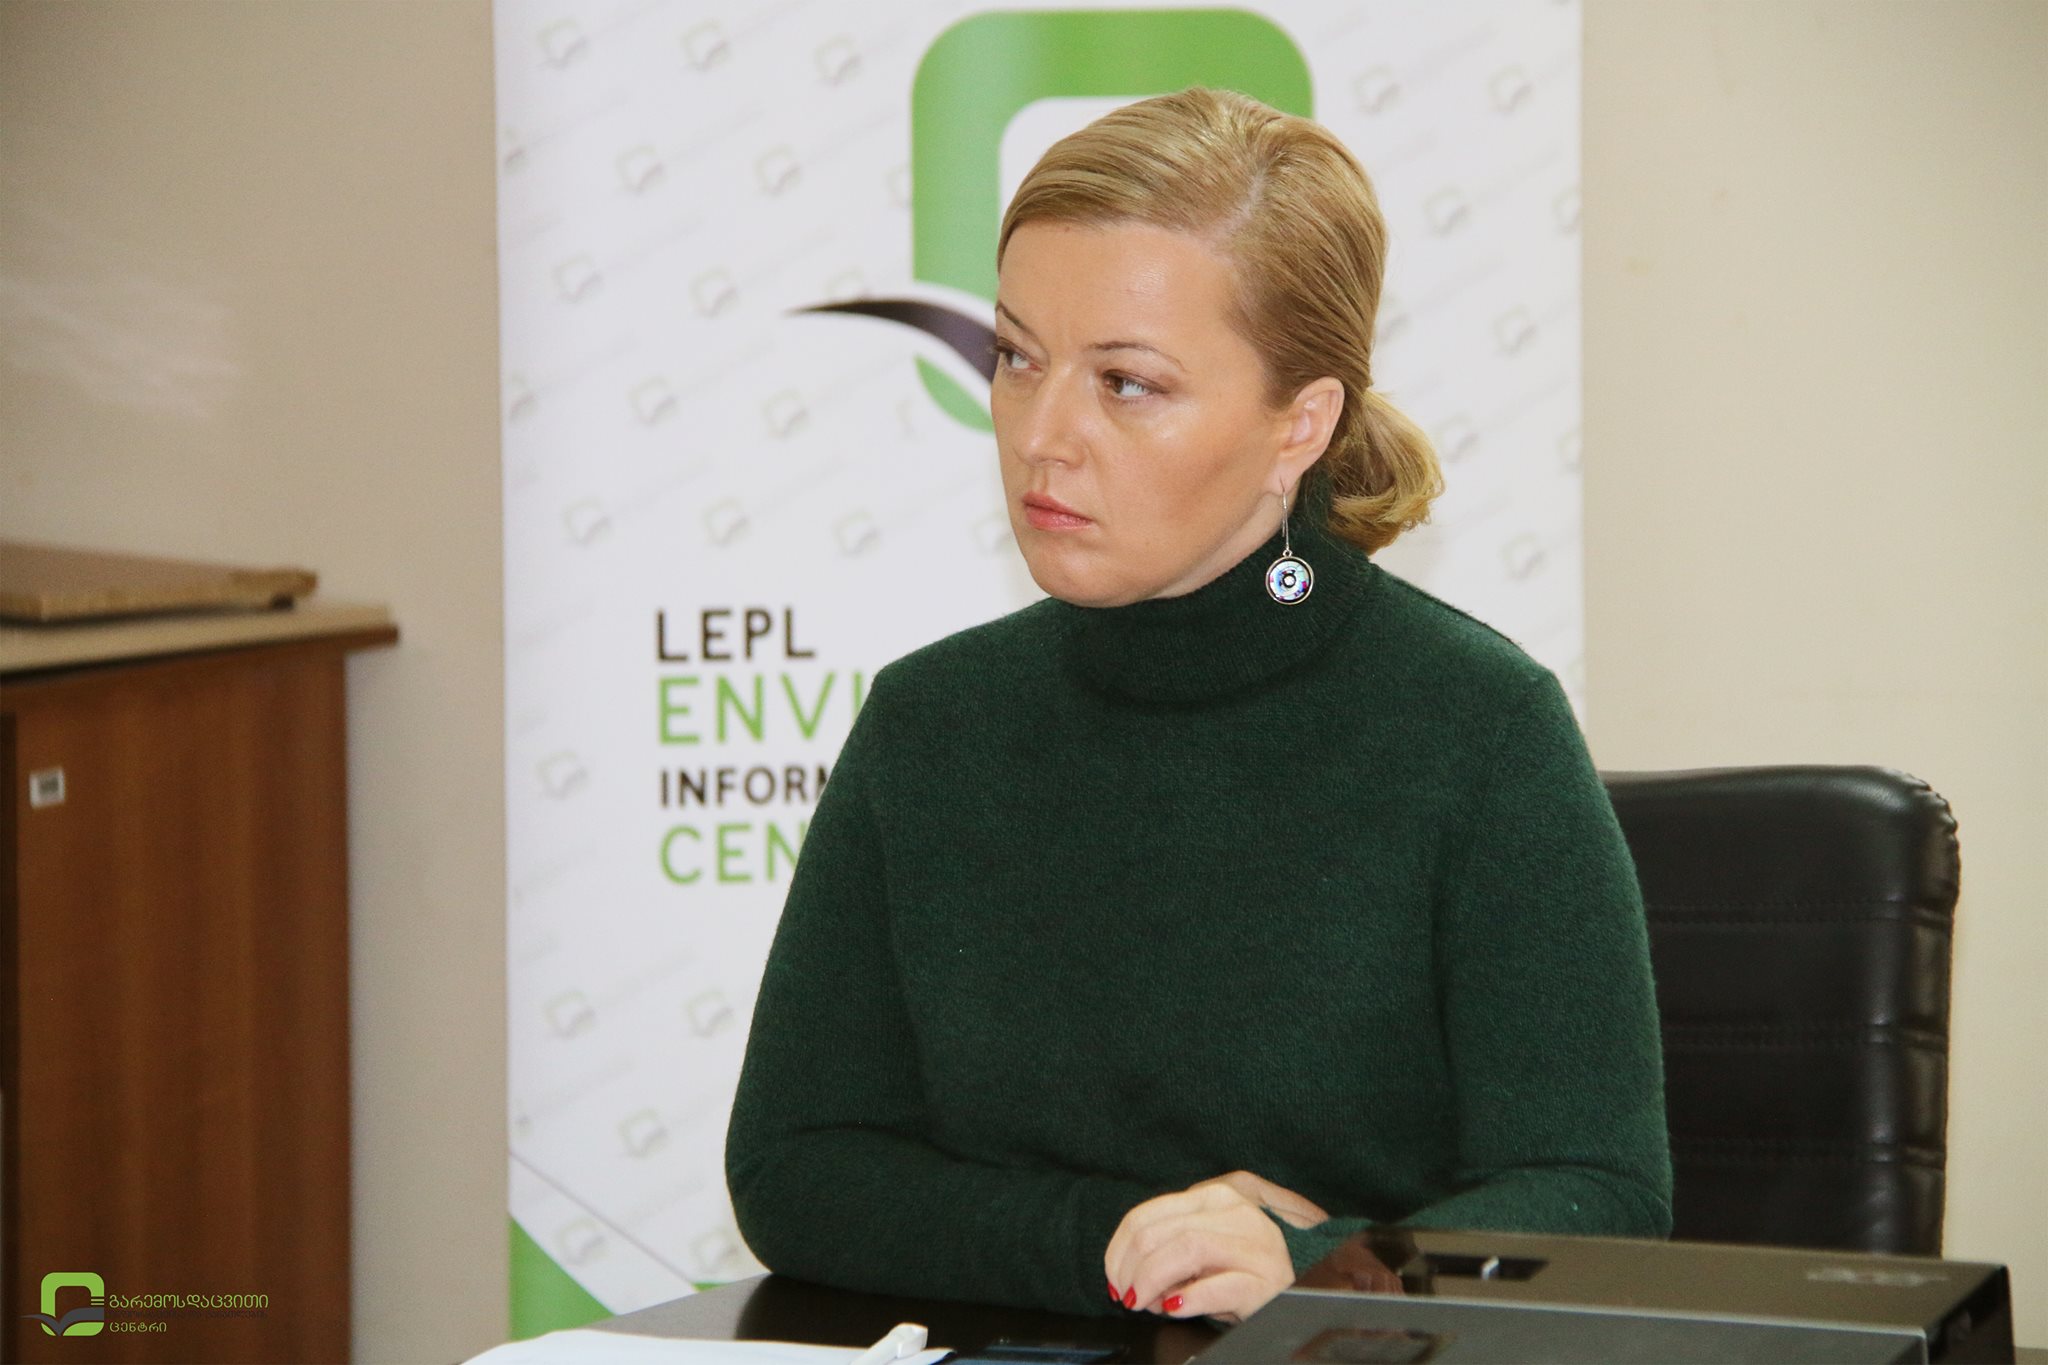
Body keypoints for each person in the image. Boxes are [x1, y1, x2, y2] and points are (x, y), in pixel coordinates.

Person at [725, 86, 1671, 1326]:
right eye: (1015, 357)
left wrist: (1321, 1269)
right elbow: (795, 1168)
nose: (1041, 436)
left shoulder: (1478, 732)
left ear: (1299, 425)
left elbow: (1601, 1195)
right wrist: (1122, 1244)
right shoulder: (929, 724)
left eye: (1125, 383)